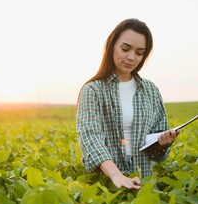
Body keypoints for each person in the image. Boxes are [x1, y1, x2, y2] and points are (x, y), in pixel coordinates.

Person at [76, 18, 179, 190]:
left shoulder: (151, 90)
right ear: (112, 46)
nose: (131, 57)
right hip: (106, 186)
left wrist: (163, 143)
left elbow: (157, 155)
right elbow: (90, 137)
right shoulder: (92, 90)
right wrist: (116, 175)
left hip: (144, 185)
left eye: (139, 52)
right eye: (125, 49)